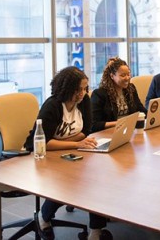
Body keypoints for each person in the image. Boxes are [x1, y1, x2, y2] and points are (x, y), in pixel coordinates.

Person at [23, 66, 112, 240]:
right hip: (42, 156)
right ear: (66, 88)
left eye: (85, 88)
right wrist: (75, 143)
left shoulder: (84, 101)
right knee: (68, 181)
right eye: (78, 89)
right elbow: (42, 143)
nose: (82, 93)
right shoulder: (53, 105)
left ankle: (96, 231)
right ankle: (43, 217)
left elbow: (86, 131)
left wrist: (69, 143)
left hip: (68, 149)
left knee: (97, 178)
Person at [91, 57, 147, 132]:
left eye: (128, 74)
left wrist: (152, 116)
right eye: (123, 75)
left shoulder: (131, 88)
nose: (127, 78)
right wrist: (118, 123)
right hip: (110, 133)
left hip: (129, 130)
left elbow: (140, 110)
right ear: (112, 76)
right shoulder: (99, 94)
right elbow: (94, 124)